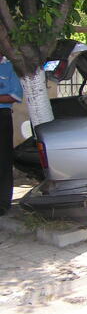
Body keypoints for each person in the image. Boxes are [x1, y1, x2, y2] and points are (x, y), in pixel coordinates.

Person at [0, 52, 23, 216]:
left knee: (3, 160)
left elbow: (15, 95)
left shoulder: (9, 68)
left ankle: (3, 203)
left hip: (2, 117)